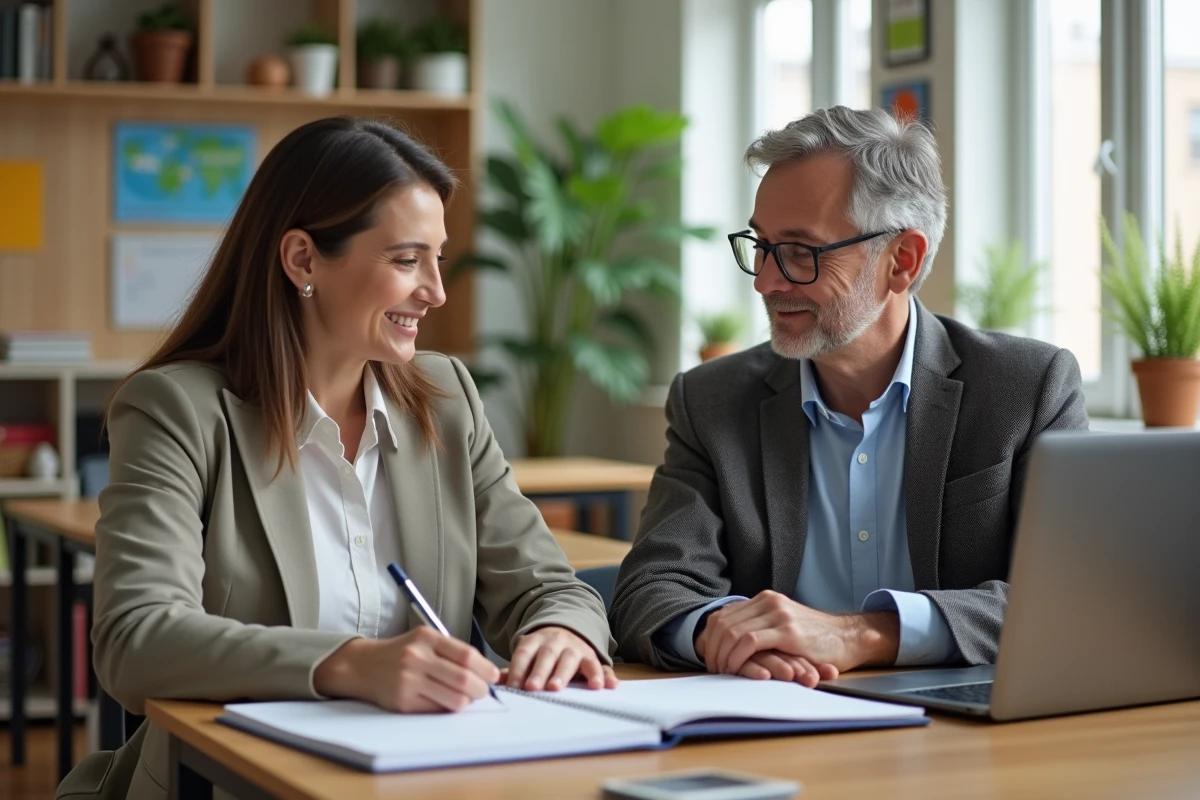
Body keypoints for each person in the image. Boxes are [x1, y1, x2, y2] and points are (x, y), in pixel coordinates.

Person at [58, 117, 616, 800]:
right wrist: (349, 665)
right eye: (407, 260)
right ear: (302, 260)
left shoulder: (446, 400)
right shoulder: (177, 409)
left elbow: (547, 587)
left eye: (438, 258)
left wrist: (561, 630)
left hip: (416, 781)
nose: (436, 291)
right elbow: (136, 640)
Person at [609, 106, 1088, 686]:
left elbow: (1071, 599)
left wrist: (860, 635)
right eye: (761, 245)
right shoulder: (711, 402)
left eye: (801, 251)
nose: (765, 280)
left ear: (901, 262)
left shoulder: (1026, 388)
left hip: (964, 734)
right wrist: (725, 633)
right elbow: (650, 588)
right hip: (778, 714)